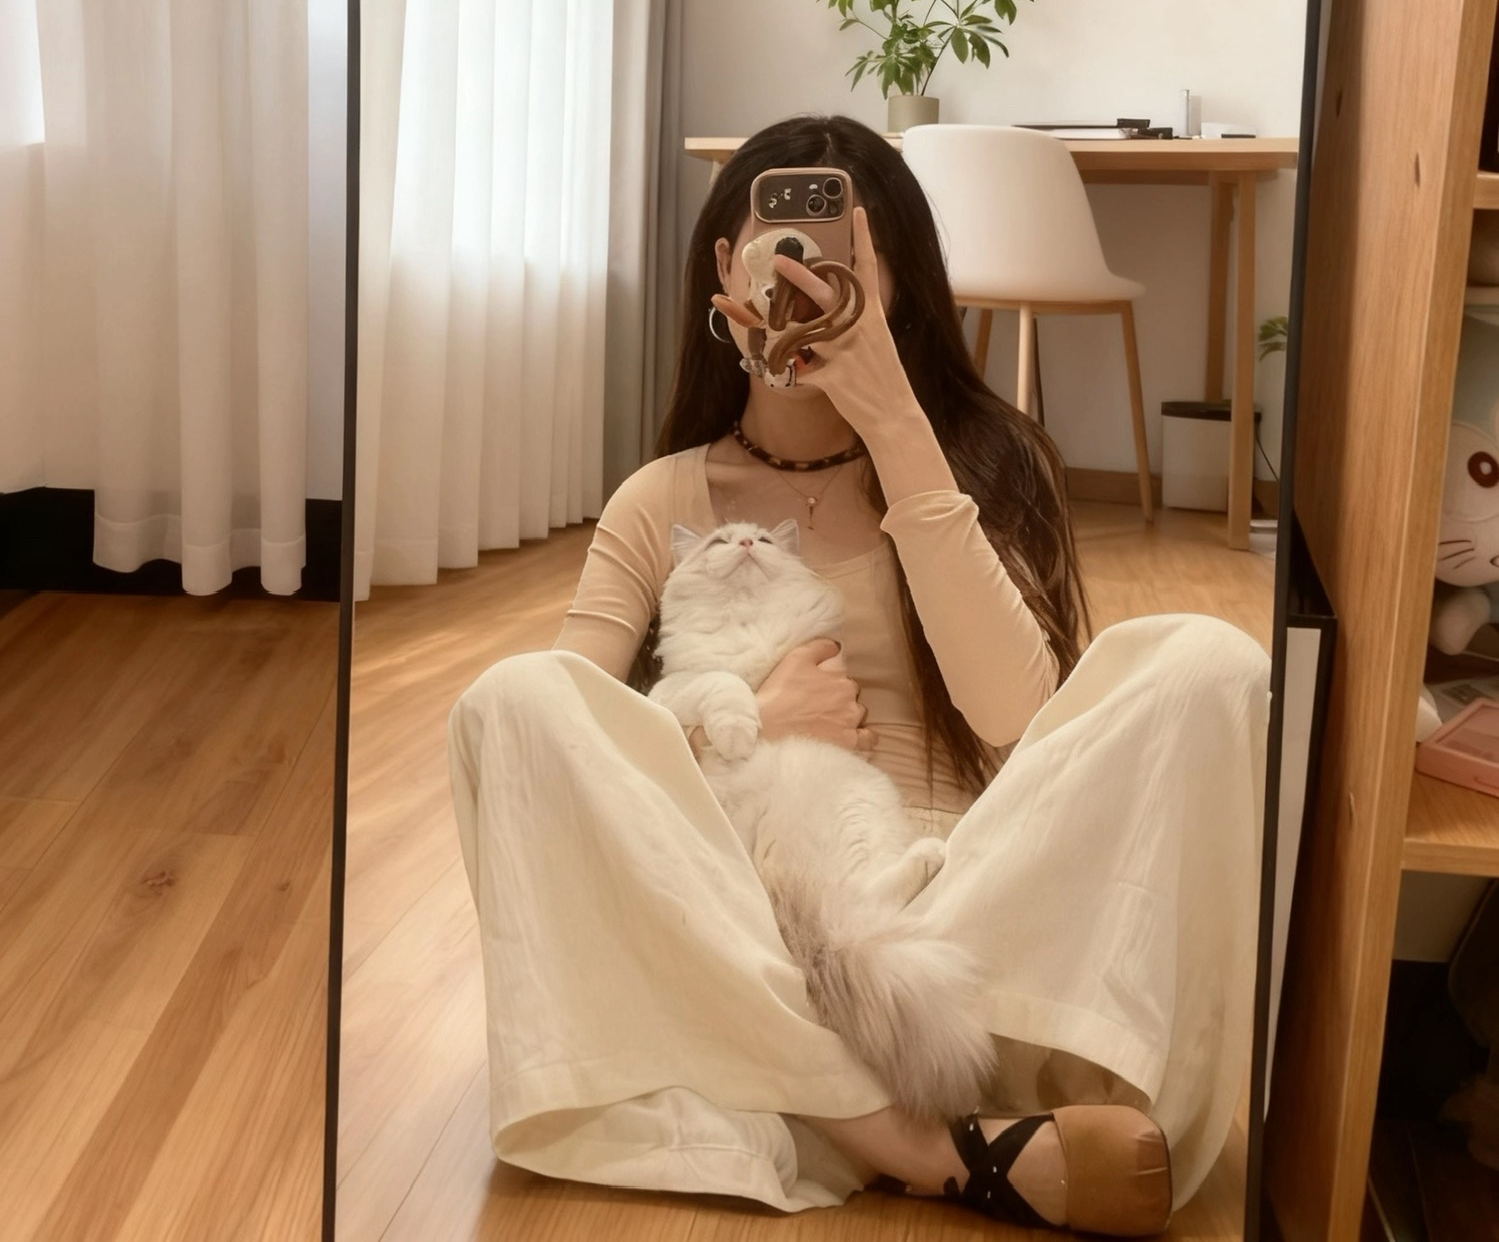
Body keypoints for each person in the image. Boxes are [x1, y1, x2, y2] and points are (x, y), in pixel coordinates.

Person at [448, 114, 1270, 1234]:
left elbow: (1018, 721)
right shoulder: (660, 500)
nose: (805, 279)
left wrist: (892, 420)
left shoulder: (985, 460)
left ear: (897, 283)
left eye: (840, 256)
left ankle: (798, 1092)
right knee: (506, 700)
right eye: (777, 252)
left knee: (1208, 662)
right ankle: (913, 1143)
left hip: (962, 928)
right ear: (726, 272)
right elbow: (560, 748)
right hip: (749, 927)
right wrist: (742, 722)